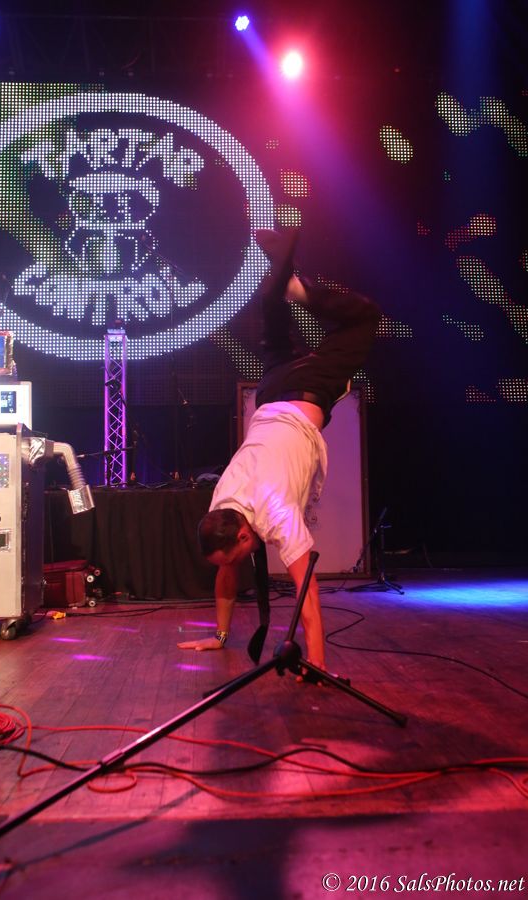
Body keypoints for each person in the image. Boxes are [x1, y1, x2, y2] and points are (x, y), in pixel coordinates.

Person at [178, 228, 381, 672]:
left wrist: (317, 663)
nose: (231, 567)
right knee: (274, 332)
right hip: (269, 391)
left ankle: (292, 288)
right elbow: (225, 572)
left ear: (244, 537)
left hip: (306, 391)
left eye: (234, 557)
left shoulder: (276, 516)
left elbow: (307, 591)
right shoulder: (222, 506)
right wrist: (219, 636)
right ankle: (281, 288)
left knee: (365, 317)